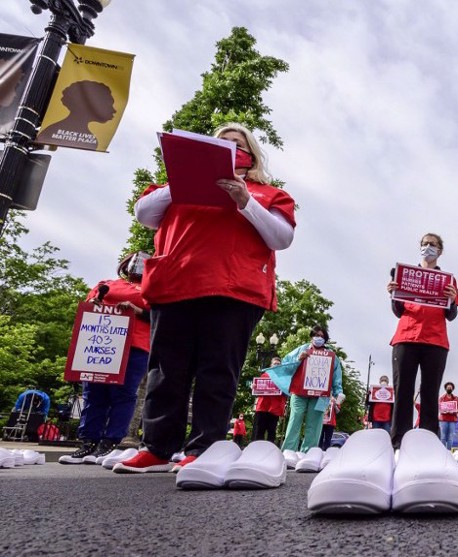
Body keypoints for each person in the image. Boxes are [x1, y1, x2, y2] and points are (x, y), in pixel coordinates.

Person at [119, 122, 296, 473]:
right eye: (221, 144)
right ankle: (156, 447)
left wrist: (245, 200)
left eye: (237, 144)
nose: (230, 148)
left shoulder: (268, 193)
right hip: (175, 284)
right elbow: (145, 215)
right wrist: (185, 179)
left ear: (251, 155)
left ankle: (203, 449)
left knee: (217, 370)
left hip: (233, 289)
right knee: (166, 369)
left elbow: (281, 237)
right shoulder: (174, 189)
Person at [60, 253, 152, 465]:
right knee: (93, 392)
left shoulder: (153, 289)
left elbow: (160, 315)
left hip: (135, 346)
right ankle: (88, 442)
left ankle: (109, 443)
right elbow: (88, 306)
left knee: (124, 393)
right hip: (101, 344)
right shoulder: (107, 284)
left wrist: (136, 310)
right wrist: (94, 302)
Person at [386, 233, 458, 447]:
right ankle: (399, 440)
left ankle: (428, 440)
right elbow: (398, 310)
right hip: (406, 336)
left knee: (430, 391)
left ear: (440, 250)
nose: (428, 247)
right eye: (425, 244)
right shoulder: (405, 275)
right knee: (403, 390)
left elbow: (451, 315)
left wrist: (452, 299)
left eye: (433, 244)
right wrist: (393, 293)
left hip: (435, 340)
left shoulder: (448, 280)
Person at [280, 326, 344, 454]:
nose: (318, 338)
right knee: (295, 420)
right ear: (311, 336)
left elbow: (336, 375)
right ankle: (288, 452)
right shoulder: (302, 350)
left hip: (320, 396)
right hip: (299, 393)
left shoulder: (332, 356)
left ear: (325, 339)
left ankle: (308, 453)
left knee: (314, 425)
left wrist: (339, 392)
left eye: (321, 336)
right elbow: (285, 366)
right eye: (316, 335)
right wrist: (298, 359)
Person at [252, 357, 286, 443]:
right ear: (271, 365)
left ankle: (270, 452)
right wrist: (254, 387)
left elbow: (286, 393)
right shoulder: (264, 375)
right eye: (275, 363)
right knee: (260, 431)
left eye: (278, 364)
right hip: (263, 407)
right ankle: (257, 450)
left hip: (275, 409)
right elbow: (257, 392)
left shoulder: (283, 378)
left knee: (272, 432)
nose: (276, 365)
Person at [438, 382, 458, 449]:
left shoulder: (456, 398)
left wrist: (455, 411)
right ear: (445, 389)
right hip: (443, 420)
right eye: (448, 388)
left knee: (450, 437)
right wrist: (444, 411)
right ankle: (443, 451)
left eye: (450, 388)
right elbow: (440, 408)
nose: (449, 389)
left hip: (452, 420)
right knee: (443, 437)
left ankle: (448, 452)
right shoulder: (441, 398)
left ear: (452, 389)